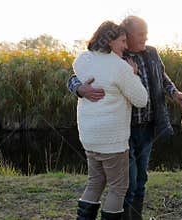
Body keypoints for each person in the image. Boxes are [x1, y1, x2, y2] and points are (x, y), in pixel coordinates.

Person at [67, 16, 182, 219]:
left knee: (140, 180)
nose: (145, 38)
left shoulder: (151, 53)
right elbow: (74, 77)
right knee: (127, 184)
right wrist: (79, 88)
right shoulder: (114, 56)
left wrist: (176, 94)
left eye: (146, 33)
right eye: (140, 34)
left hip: (148, 127)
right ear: (127, 35)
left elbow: (163, 77)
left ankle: (135, 217)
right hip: (124, 129)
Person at [74, 21, 148, 220]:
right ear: (109, 41)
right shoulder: (120, 67)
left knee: (95, 182)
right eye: (122, 41)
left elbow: (75, 76)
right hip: (112, 140)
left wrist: (78, 88)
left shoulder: (83, 59)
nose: (125, 45)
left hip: (89, 136)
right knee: (117, 188)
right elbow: (141, 99)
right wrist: (135, 75)